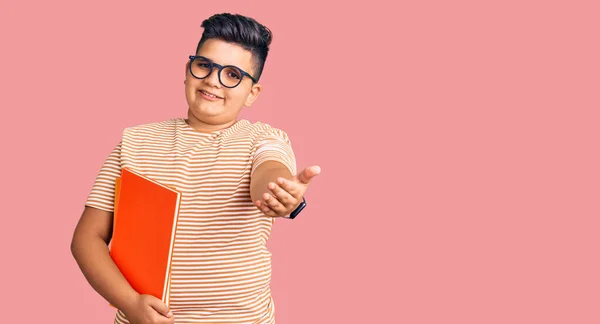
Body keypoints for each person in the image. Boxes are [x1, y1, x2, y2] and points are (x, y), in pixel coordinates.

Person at [71, 12, 321, 324]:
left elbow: (269, 172)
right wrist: (131, 303)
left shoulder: (263, 139)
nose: (213, 81)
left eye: (232, 74)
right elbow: (86, 239)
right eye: (205, 65)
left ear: (252, 93)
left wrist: (279, 190)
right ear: (188, 71)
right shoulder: (135, 142)